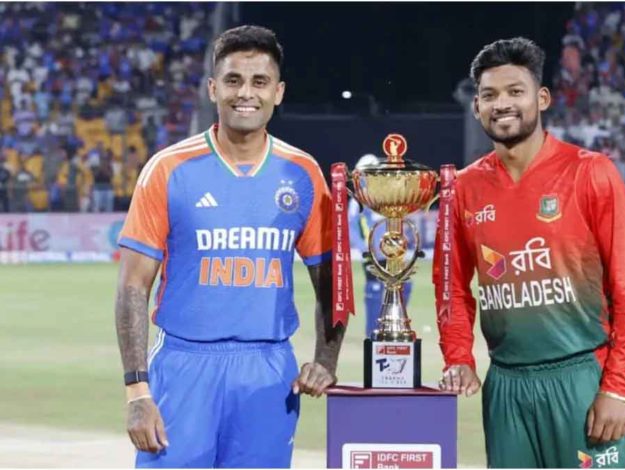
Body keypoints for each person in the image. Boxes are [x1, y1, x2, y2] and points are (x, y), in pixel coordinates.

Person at [114, 25, 344, 468]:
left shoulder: (303, 173)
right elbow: (132, 286)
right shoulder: (168, 169)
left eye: (260, 82)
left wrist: (326, 360)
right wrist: (138, 392)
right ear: (213, 88)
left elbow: (331, 280)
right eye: (234, 80)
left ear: (278, 92)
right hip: (184, 365)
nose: (246, 94)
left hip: (268, 370)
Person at [433, 37, 625, 468]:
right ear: (476, 106)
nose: (502, 104)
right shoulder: (461, 189)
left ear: (542, 98)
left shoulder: (590, 173)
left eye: (515, 91)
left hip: (580, 378)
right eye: (489, 95)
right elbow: (451, 285)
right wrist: (458, 356)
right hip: (506, 384)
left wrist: (618, 387)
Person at [347, 153, 413, 337]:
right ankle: (373, 333)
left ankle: (393, 323)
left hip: (392, 253)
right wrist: (365, 248)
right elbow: (352, 227)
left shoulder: (385, 195)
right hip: (373, 254)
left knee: (404, 286)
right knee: (374, 289)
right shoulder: (359, 199)